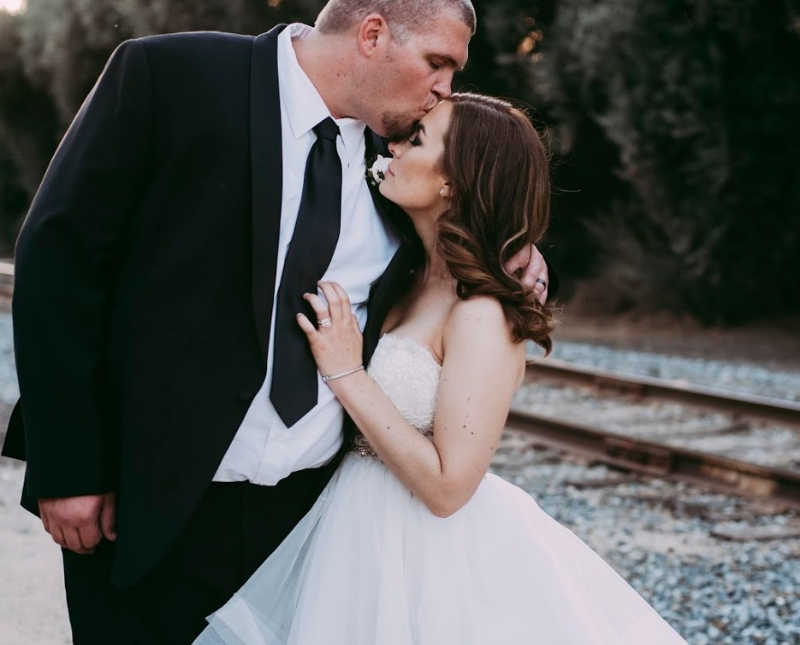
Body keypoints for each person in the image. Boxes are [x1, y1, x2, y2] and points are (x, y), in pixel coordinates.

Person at [0, 1, 555, 643]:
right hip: (149, 502)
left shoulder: (400, 154)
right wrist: (68, 466)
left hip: (312, 521)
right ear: (373, 34)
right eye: (438, 63)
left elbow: (468, 225)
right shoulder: (172, 76)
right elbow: (58, 262)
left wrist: (526, 255)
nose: (444, 89)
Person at [193, 94, 688, 645]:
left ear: (455, 182)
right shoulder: (401, 268)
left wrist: (346, 373)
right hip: (349, 531)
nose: (394, 146)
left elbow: (450, 487)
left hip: (424, 554)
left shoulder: (480, 314)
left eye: (416, 140)